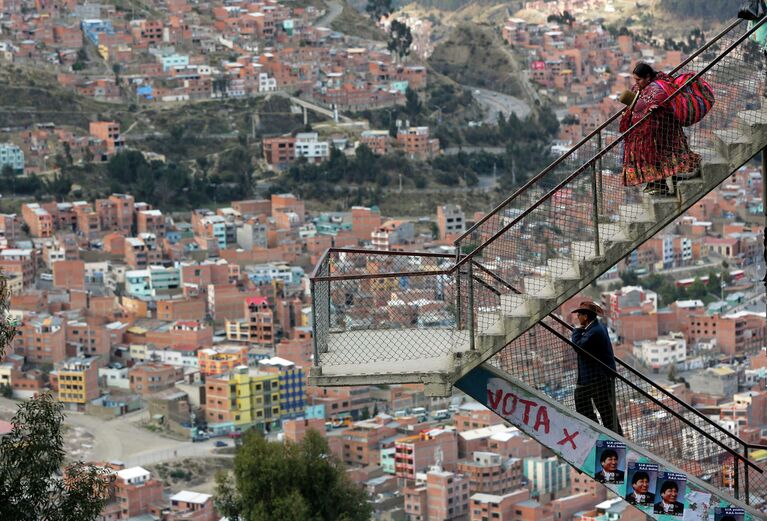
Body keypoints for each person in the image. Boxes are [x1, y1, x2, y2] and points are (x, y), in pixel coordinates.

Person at [619, 62, 701, 197]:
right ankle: (656, 183)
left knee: (659, 157)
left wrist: (650, 109)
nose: (637, 82)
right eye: (635, 80)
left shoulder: (658, 88)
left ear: (647, 77)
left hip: (663, 130)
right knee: (654, 158)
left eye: (639, 79)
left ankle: (661, 184)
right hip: (651, 133)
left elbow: (659, 102)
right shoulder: (640, 88)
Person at [570, 300, 623, 436]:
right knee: (588, 403)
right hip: (594, 378)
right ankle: (598, 430)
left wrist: (576, 330)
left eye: (579, 314)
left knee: (605, 411)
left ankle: (615, 438)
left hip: (598, 379)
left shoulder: (594, 332)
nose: (577, 317)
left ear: (586, 317)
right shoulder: (596, 328)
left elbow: (578, 346)